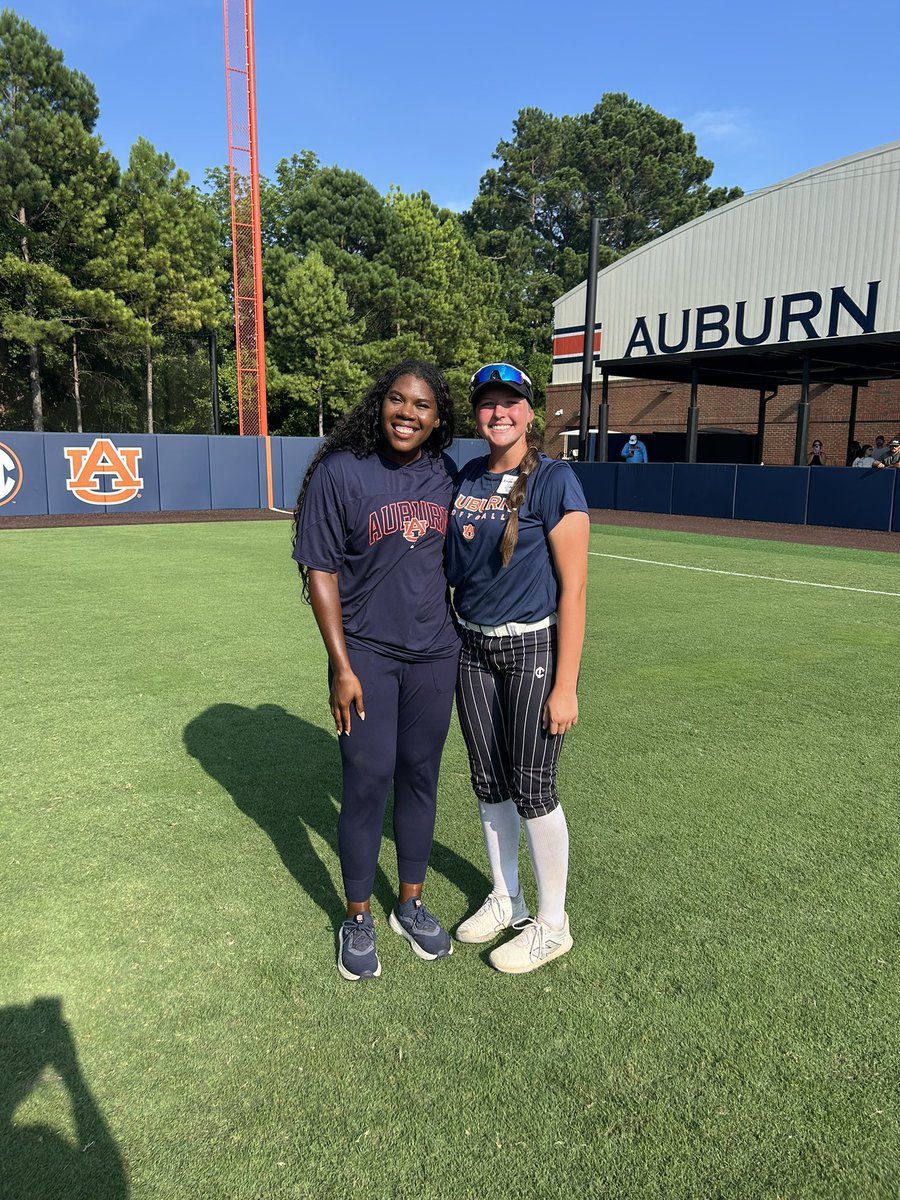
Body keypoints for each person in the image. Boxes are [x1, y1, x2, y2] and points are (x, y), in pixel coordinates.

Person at [292, 360, 460, 981]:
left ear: (437, 419)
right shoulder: (342, 472)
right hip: (365, 652)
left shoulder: (447, 475)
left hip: (435, 653)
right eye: (397, 400)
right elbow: (321, 571)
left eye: (421, 406)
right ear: (379, 403)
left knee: (420, 774)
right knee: (367, 778)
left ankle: (410, 903)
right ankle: (358, 914)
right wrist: (340, 665)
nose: (407, 413)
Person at [445, 362, 589, 974]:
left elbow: (575, 590)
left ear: (531, 412)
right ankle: (508, 898)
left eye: (510, 403)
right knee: (488, 781)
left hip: (532, 649)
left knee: (533, 786)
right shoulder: (469, 475)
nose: (498, 413)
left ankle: (552, 925)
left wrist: (566, 685)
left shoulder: (557, 481)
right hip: (471, 648)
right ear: (476, 415)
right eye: (487, 404)